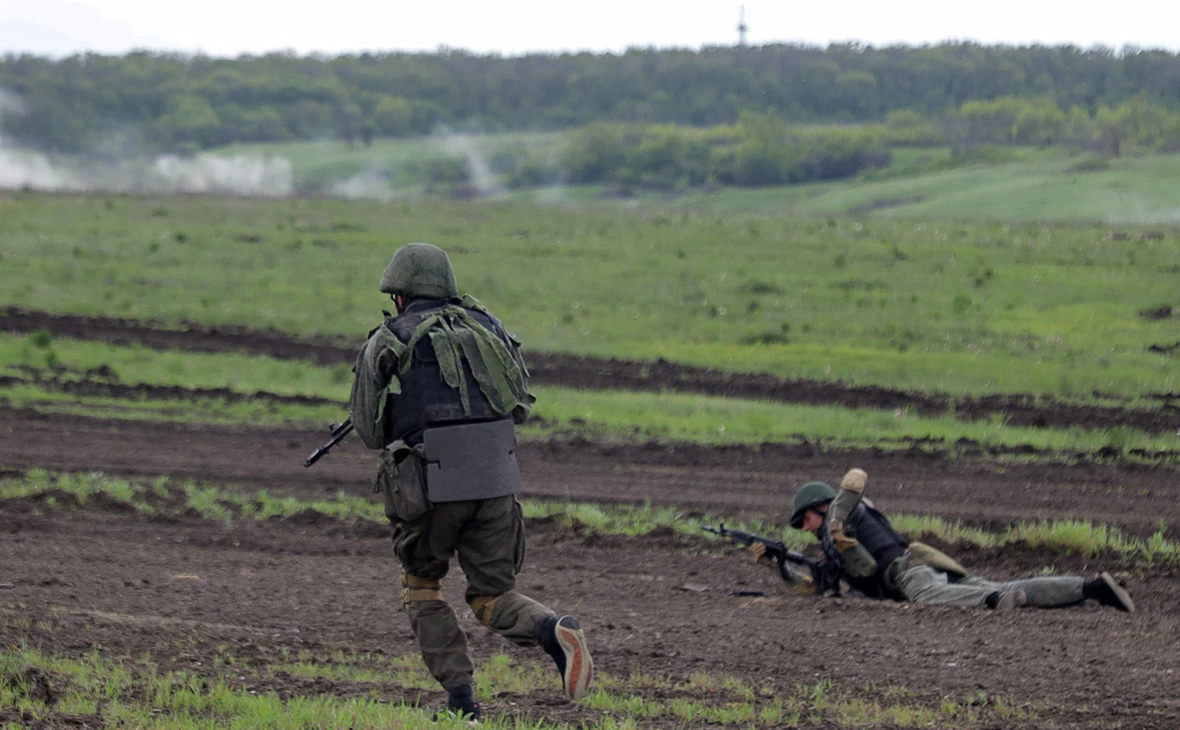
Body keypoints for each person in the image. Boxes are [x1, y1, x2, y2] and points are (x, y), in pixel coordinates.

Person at [349, 243, 593, 722]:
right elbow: (519, 404)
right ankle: (550, 629)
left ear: (400, 295)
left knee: (422, 586)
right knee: (491, 595)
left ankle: (463, 706)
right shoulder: (490, 327)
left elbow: (369, 431)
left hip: (430, 487)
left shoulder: (387, 339)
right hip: (496, 478)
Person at [761, 468, 1135, 612]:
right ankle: (1091, 588)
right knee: (1008, 585)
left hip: (910, 573)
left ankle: (992, 600)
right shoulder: (832, 541)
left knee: (931, 597)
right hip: (926, 565)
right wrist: (780, 564)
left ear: (821, 506)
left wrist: (836, 524)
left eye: (807, 519)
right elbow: (814, 587)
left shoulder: (849, 513)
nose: (806, 528)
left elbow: (856, 481)